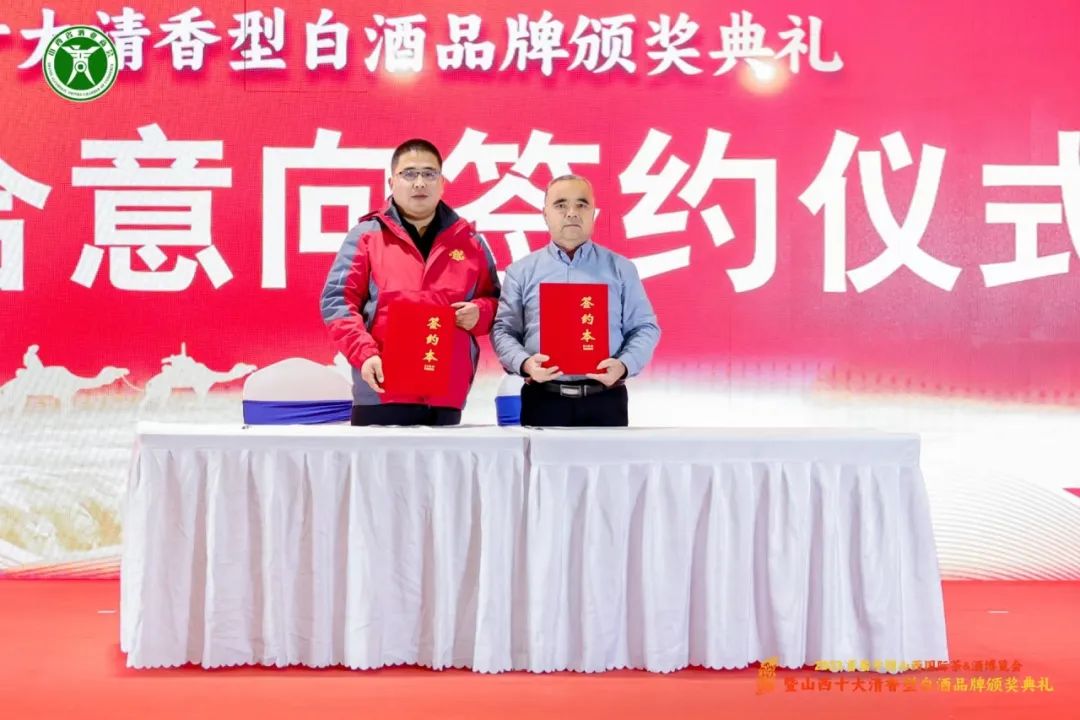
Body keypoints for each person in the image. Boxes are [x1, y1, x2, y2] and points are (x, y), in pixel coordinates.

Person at [321, 138, 500, 426]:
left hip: (445, 394)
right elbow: (337, 302)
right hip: (381, 390)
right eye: (409, 174)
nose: (419, 183)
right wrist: (364, 354)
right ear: (392, 182)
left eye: (429, 174)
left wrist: (481, 313)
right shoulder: (366, 236)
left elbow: (496, 302)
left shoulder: (470, 242)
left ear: (442, 183)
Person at [492, 174, 660, 427]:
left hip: (605, 399)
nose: (572, 213)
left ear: (593, 213)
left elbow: (645, 327)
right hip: (543, 399)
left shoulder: (621, 269)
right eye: (561, 205)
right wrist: (525, 363)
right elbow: (503, 330)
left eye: (582, 205)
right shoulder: (521, 271)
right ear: (545, 214)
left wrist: (624, 365)